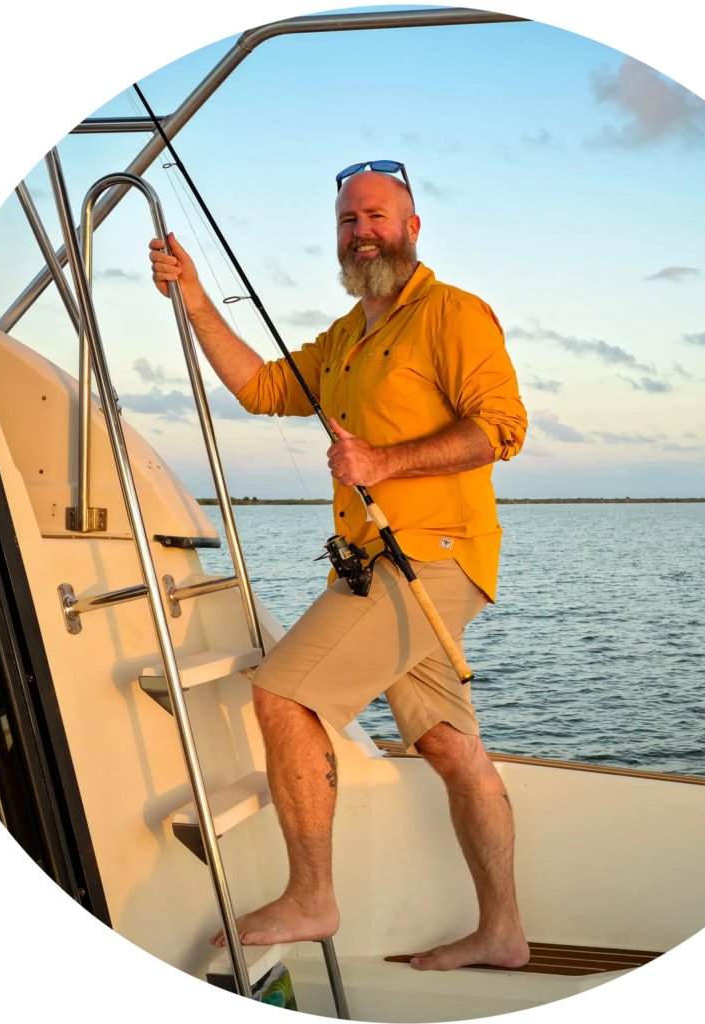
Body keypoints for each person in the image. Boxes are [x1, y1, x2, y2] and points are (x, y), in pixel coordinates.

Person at [147, 165, 528, 972]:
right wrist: (195, 300)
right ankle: (504, 932)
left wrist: (383, 462)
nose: (363, 230)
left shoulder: (454, 314)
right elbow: (260, 387)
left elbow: (501, 427)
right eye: (350, 218)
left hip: (434, 556)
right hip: (375, 565)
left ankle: (312, 896)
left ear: (414, 226)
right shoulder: (347, 337)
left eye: (378, 216)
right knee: (453, 749)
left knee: (282, 693)